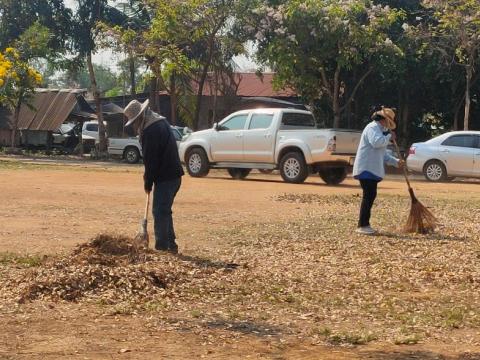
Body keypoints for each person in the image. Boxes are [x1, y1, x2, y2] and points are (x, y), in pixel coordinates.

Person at [124, 99, 184, 252]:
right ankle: (171, 245)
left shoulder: (150, 130)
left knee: (159, 211)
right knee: (164, 210)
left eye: (135, 122)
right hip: (173, 175)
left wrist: (148, 181)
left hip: (167, 177)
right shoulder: (159, 122)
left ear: (140, 117)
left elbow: (151, 161)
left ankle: (162, 248)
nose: (135, 126)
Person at [352, 107, 404, 235]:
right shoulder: (372, 128)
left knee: (371, 195)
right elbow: (376, 143)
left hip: (372, 168)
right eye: (388, 122)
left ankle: (364, 224)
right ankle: (362, 225)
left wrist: (396, 161)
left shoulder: (381, 132)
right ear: (384, 120)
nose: (388, 126)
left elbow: (383, 154)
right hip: (366, 167)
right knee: (369, 195)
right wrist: (389, 137)